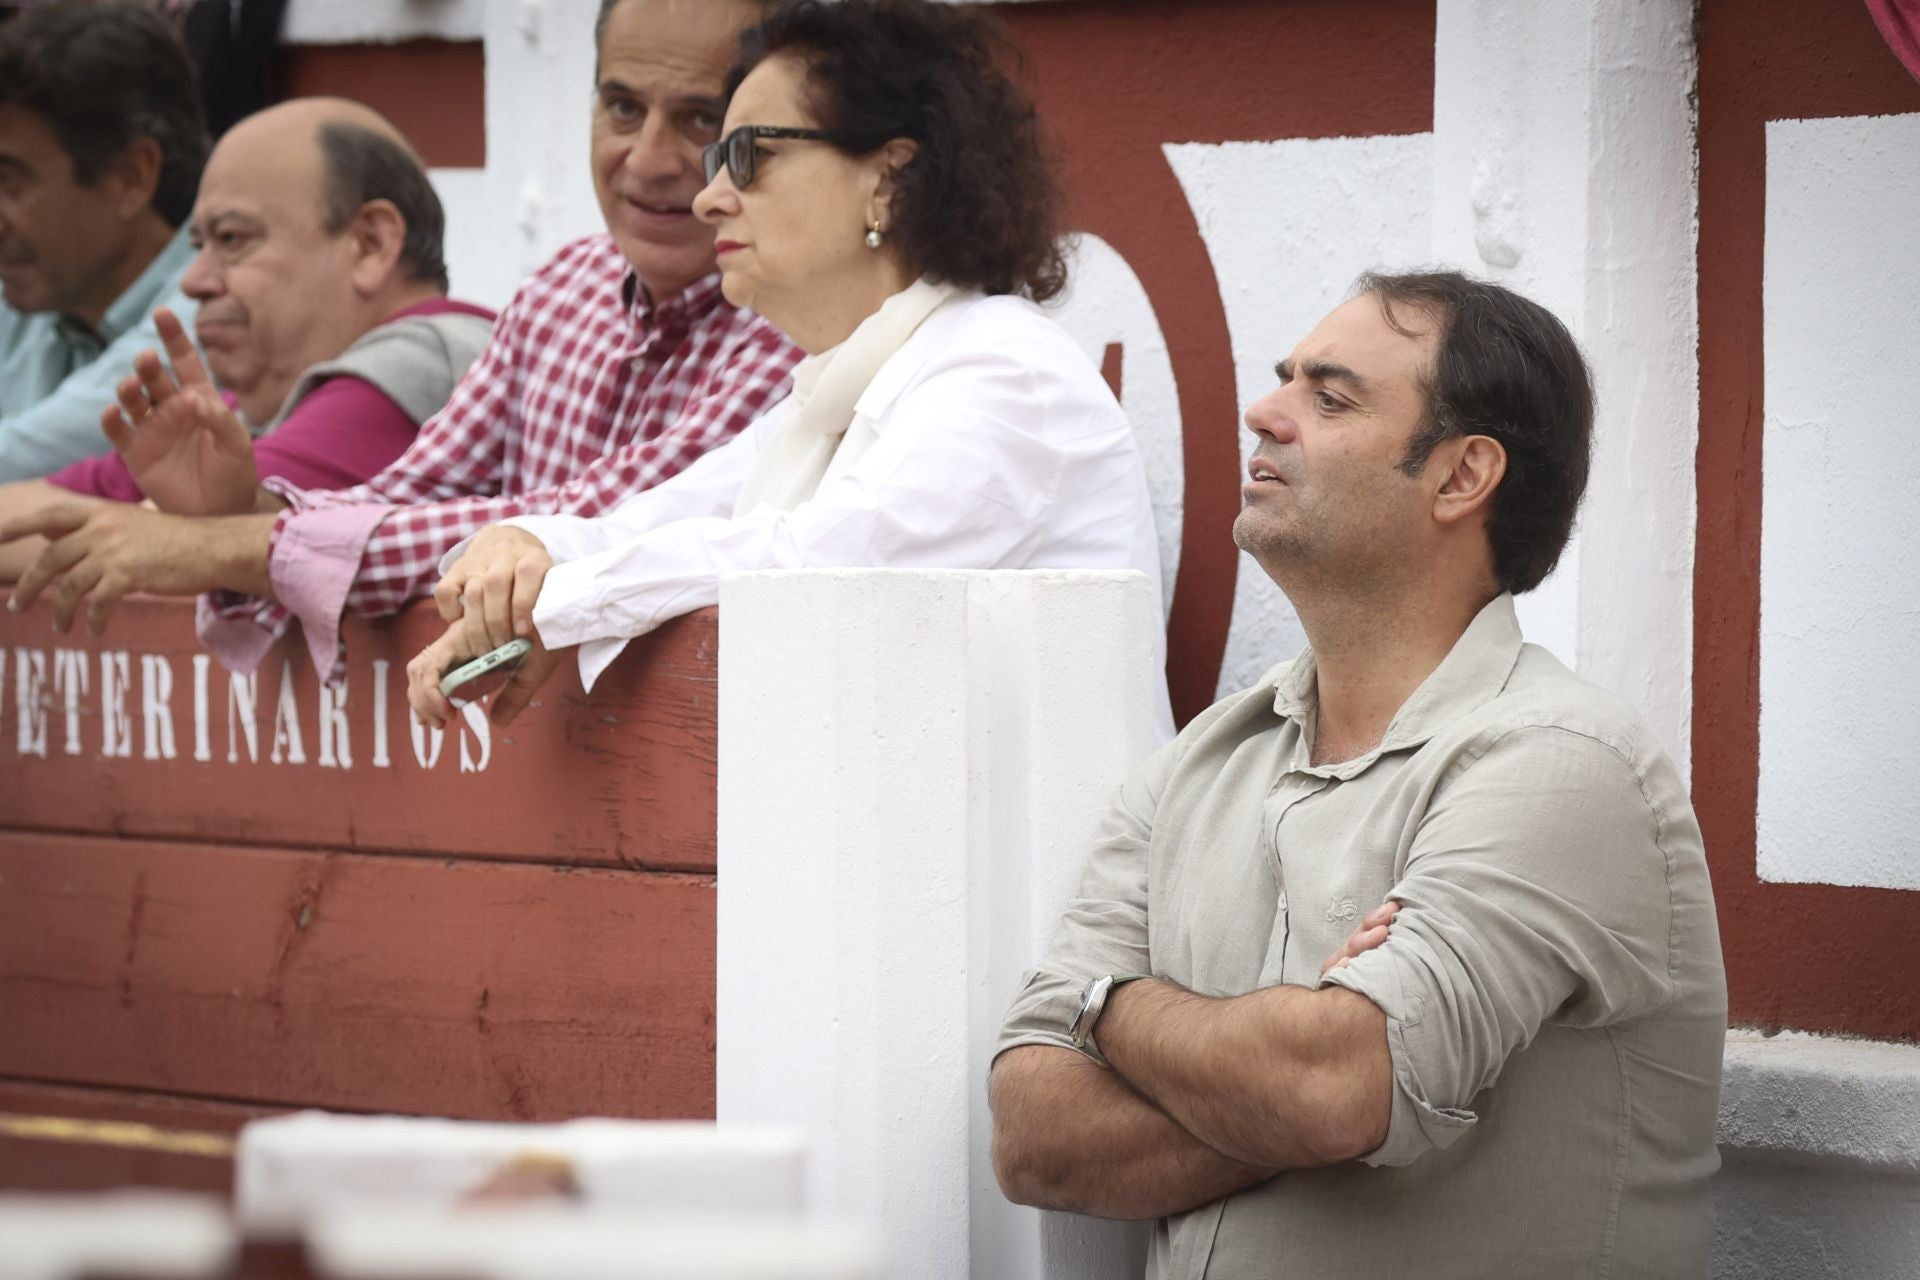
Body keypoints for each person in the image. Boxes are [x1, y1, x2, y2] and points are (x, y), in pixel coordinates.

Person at [989, 273, 1727, 1278]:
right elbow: (1034, 1133)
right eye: (1286, 379)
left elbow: (1336, 1086)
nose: (1265, 410)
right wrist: (1288, 1075)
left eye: (1330, 397)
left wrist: (1110, 1007)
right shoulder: (1193, 767)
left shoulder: (1563, 762)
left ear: (1462, 475)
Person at [400, 0, 1168, 737]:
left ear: (889, 180)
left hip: (1051, 870)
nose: (710, 199)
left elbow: (808, 564)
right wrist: (520, 547)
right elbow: (653, 524)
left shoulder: (1009, 378)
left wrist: (556, 601)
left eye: (749, 157)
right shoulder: (834, 394)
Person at [0, 0, 799, 675]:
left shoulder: (795, 314)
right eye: (622, 107)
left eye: (701, 117)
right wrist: (241, 511)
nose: (649, 158)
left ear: (371, 243)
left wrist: (220, 542)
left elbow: (586, 525)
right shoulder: (569, 282)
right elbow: (416, 486)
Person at [0, 97, 495, 580]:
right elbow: (39, 513)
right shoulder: (251, 407)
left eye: (233, 239)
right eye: (199, 245)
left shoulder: (422, 362)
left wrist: (157, 533)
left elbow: (149, 546)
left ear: (370, 243)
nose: (193, 281)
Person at [0, 1, 207, 482]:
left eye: (10, 184)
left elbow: (23, 460)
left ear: (130, 178)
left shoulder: (214, 310)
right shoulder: (33, 285)